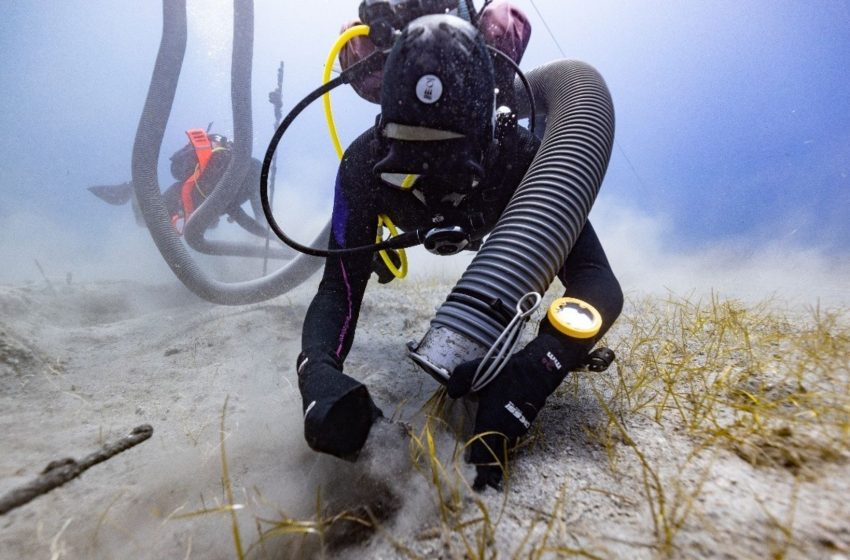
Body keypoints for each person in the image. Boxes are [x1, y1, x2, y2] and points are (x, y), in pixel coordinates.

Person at [297, 13, 623, 490]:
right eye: (409, 167)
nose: (434, 181)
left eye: (454, 167)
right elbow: (337, 290)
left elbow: (597, 284)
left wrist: (536, 368)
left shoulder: (518, 157)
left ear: (489, 138)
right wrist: (316, 372)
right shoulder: (364, 166)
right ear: (385, 134)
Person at [88, 128, 267, 237]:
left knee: (148, 222)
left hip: (190, 196)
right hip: (182, 196)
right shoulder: (233, 180)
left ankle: (136, 188)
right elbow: (245, 219)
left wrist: (267, 233)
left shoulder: (246, 176)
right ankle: (135, 188)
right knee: (145, 221)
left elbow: (260, 217)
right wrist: (273, 239)